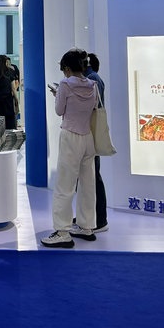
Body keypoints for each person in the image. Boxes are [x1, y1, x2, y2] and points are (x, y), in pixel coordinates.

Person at [40, 50, 99, 249]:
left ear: (66, 68)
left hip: (70, 135)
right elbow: (93, 108)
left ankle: (62, 232)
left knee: (64, 185)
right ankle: (87, 226)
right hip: (88, 137)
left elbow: (59, 111)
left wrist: (58, 95)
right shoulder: (93, 84)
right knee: (88, 184)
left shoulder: (65, 84)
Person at [84, 52, 109, 233]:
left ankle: (100, 219)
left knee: (93, 177)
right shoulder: (90, 78)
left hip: (91, 133)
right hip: (87, 132)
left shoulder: (92, 79)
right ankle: (89, 216)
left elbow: (93, 106)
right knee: (88, 177)